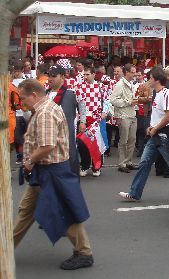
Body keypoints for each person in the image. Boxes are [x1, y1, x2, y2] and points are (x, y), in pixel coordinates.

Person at [14, 79, 94, 270]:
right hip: (46, 171)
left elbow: (48, 146)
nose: (21, 102)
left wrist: (29, 161)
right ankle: (5, 248)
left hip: (50, 170)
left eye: (23, 97)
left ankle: (84, 253)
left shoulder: (45, 113)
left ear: (34, 95)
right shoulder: (46, 109)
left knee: (63, 212)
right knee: (28, 210)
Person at [119, 66, 169, 202]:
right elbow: (160, 115)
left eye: (150, 78)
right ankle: (134, 193)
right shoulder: (158, 94)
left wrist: (155, 127)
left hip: (164, 135)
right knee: (145, 163)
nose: (148, 80)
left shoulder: (166, 93)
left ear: (157, 79)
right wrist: (152, 127)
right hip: (155, 134)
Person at [47, 65, 87, 176]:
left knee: (69, 153)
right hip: (49, 133)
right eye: (49, 76)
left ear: (63, 77)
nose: (50, 79)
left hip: (67, 131)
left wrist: (82, 121)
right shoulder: (45, 93)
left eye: (54, 76)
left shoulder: (71, 91)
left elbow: (82, 105)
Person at [75, 65, 109, 176]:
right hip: (83, 119)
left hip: (96, 119)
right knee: (82, 143)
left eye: (87, 74)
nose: (85, 76)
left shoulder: (101, 87)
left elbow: (107, 100)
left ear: (94, 74)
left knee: (97, 143)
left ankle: (96, 166)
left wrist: (105, 111)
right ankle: (84, 165)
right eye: (84, 74)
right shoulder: (79, 87)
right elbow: (78, 104)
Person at [110, 63, 139, 173]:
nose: (134, 74)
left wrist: (134, 101)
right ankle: (122, 163)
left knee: (132, 139)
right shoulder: (119, 85)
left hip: (131, 114)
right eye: (132, 72)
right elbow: (112, 100)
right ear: (127, 73)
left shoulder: (131, 83)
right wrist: (128, 102)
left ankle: (128, 161)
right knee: (124, 140)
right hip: (123, 115)